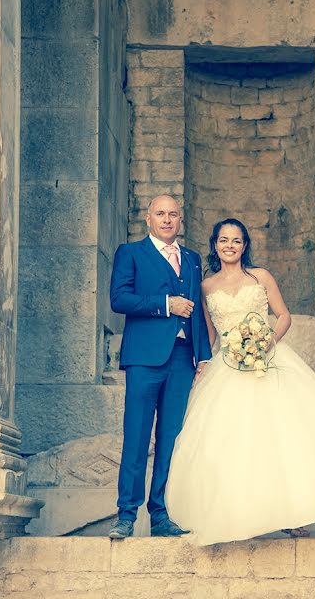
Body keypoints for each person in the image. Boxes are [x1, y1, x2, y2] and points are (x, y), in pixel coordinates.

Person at [164, 218, 315, 546]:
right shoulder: (206, 286)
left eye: (236, 240)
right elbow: (210, 332)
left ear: (245, 245)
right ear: (215, 245)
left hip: (269, 360)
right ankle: (241, 515)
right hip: (228, 365)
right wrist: (203, 362)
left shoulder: (261, 276)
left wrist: (266, 341)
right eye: (224, 240)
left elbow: (284, 316)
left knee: (284, 436)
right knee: (235, 442)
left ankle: (294, 516)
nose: (230, 246)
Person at [107, 195, 212, 539]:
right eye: (160, 214)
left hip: (182, 360)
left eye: (173, 214)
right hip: (144, 358)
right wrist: (165, 304)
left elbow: (197, 311)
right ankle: (126, 514)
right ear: (148, 219)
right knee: (136, 436)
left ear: (180, 220)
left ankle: (161, 514)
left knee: (170, 439)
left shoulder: (193, 260)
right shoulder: (131, 253)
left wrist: (203, 355)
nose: (167, 219)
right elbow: (119, 299)